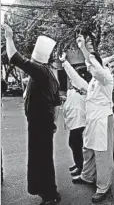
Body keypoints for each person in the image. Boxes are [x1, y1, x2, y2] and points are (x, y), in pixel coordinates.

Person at [3, 24, 61, 205]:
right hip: (45, 122)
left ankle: (49, 195)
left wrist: (9, 38)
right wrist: (53, 124)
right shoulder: (49, 73)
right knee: (44, 156)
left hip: (39, 122)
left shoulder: (39, 70)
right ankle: (50, 191)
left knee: (40, 158)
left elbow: (14, 57)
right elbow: (57, 104)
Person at [64, 31, 114, 203]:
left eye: (90, 62)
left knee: (102, 155)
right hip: (92, 121)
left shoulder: (105, 77)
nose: (88, 66)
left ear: (97, 64)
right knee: (88, 150)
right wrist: (64, 63)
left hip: (103, 120)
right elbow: (77, 81)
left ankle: (103, 186)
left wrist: (85, 49)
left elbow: (96, 68)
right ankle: (87, 176)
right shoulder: (93, 82)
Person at [59, 58, 92, 177]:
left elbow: (74, 76)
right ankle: (78, 163)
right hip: (73, 120)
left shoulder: (84, 86)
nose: (71, 79)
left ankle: (81, 167)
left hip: (80, 121)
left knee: (76, 144)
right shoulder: (73, 89)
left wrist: (64, 63)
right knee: (73, 144)